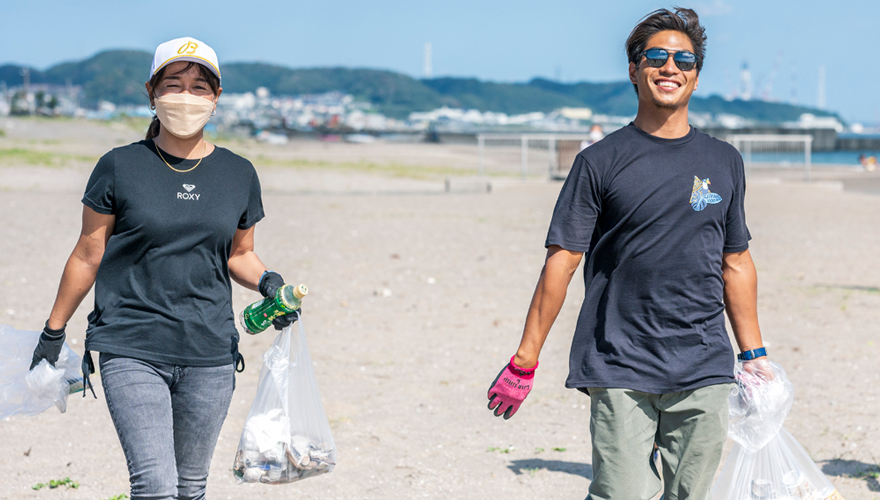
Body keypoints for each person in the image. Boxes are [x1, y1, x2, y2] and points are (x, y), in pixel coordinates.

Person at [487, 8, 772, 500]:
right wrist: (524, 359)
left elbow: (736, 262)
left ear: (697, 76)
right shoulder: (599, 162)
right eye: (656, 56)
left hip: (703, 362)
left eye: (683, 59)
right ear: (635, 70)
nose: (670, 67)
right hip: (620, 361)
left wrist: (755, 356)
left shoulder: (725, 161)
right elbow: (562, 259)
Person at [28, 37, 299, 500]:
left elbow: (239, 253)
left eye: (199, 87)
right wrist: (53, 332)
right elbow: (87, 254)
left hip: (209, 350)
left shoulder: (239, 173)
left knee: (190, 487)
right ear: (151, 92)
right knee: (155, 485)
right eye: (174, 85)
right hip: (131, 343)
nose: (186, 97)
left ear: (216, 99)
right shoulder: (119, 166)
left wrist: (270, 283)